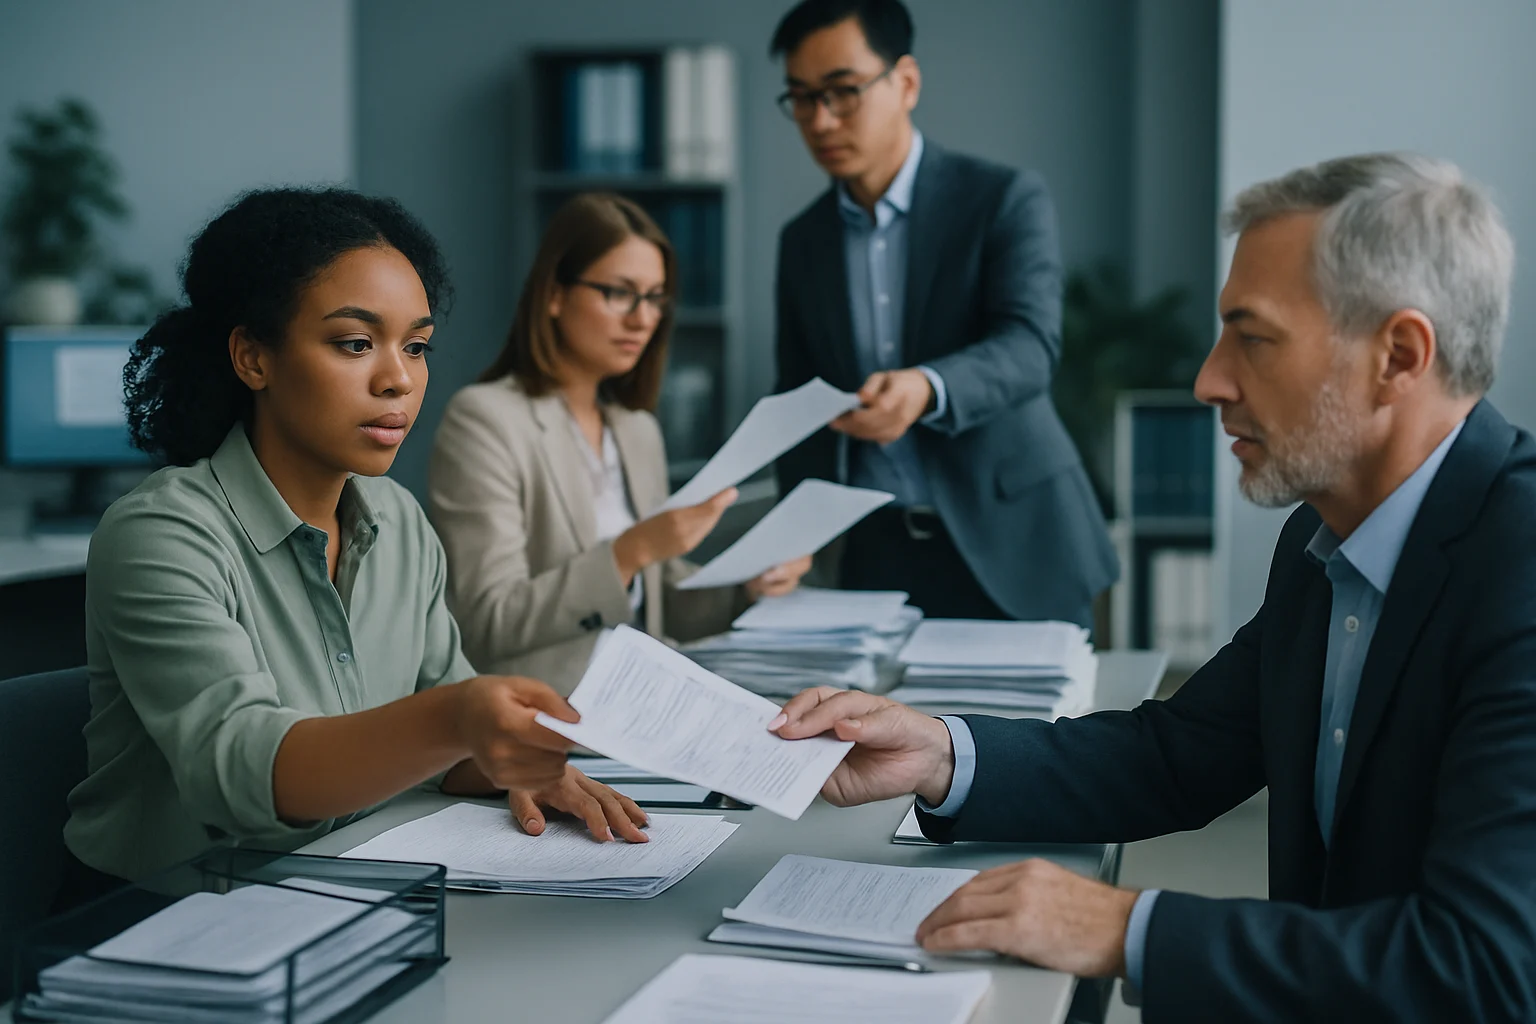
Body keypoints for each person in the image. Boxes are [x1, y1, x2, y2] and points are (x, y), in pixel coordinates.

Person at [772, 153, 1536, 1021]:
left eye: (1253, 336)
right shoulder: (1325, 539)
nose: (1210, 379)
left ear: (1398, 354)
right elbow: (1178, 754)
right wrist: (942, 753)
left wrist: (1128, 928)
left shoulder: (1520, 565)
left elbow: (1486, 968)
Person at [63, 187, 647, 904]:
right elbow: (244, 775)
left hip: (344, 892)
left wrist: (519, 758)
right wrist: (459, 718)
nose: (398, 378)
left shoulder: (398, 521)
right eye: (355, 343)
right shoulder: (159, 534)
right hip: (165, 923)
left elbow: (446, 744)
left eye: (417, 347)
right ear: (253, 356)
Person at [769, 0, 1117, 627]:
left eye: (842, 92)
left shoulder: (1001, 199)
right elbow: (798, 394)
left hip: (1011, 537)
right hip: (875, 552)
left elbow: (1030, 345)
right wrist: (793, 533)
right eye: (800, 98)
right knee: (870, 726)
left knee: (1041, 725)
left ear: (905, 82)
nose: (820, 121)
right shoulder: (803, 241)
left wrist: (927, 389)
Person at [429, 193, 811, 695]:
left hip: (645, 710)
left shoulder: (636, 429)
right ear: (555, 295)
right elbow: (488, 619)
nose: (642, 319)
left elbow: (661, 602)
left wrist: (747, 586)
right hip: (545, 719)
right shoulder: (485, 419)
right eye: (619, 292)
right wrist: (629, 552)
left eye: (655, 298)